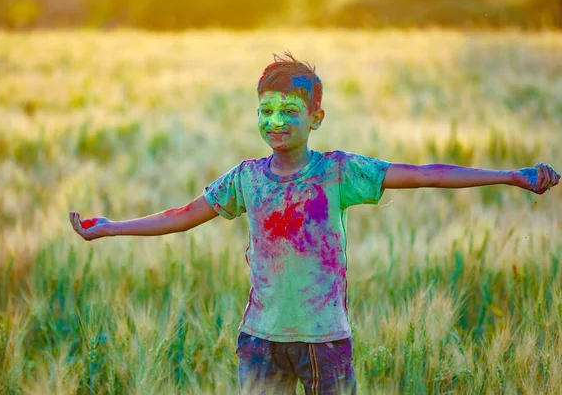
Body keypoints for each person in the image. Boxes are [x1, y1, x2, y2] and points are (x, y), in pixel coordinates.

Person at [70, 52, 560, 394]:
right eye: (266, 111)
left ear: (316, 117)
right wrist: (111, 226)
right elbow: (181, 215)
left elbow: (425, 173)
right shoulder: (246, 179)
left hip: (327, 343)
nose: (275, 121)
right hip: (260, 341)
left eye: (289, 111)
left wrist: (510, 177)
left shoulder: (339, 172)